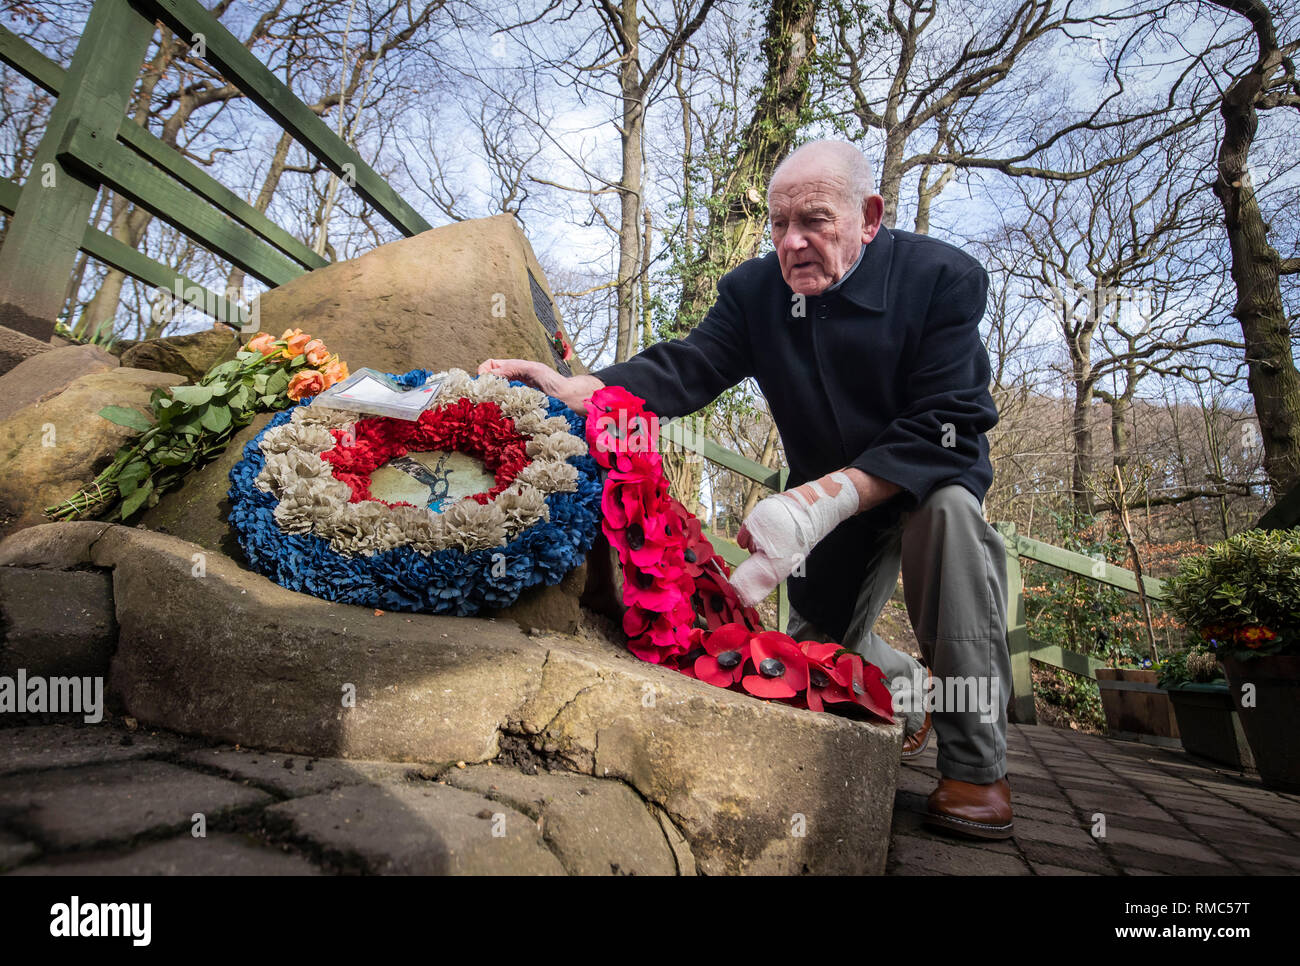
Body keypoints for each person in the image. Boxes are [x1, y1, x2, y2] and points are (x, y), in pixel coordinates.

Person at [479, 139, 1013, 840]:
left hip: (922, 477)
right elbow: (691, 366)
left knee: (949, 516)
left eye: (815, 221)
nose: (793, 243)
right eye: (779, 224)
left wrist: (819, 500)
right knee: (814, 653)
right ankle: (909, 692)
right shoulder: (755, 292)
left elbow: (950, 420)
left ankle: (977, 768)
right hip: (825, 507)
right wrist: (584, 388)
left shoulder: (944, 278)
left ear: (870, 216)